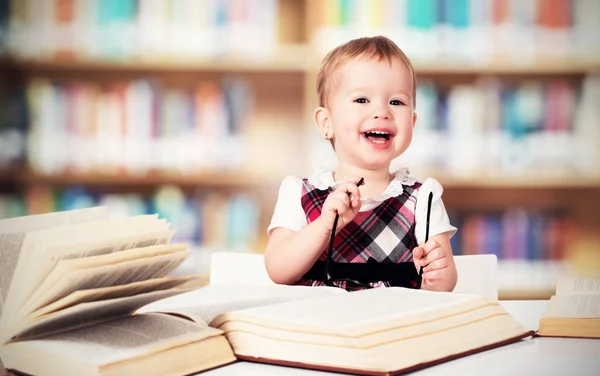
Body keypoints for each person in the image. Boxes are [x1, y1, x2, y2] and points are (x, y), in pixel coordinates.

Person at [264, 36, 457, 292]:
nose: (382, 112)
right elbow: (278, 270)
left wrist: (437, 271)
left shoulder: (423, 199)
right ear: (326, 123)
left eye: (396, 102)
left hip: (394, 325)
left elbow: (443, 288)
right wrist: (323, 226)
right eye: (362, 100)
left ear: (412, 121)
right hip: (320, 324)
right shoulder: (298, 193)